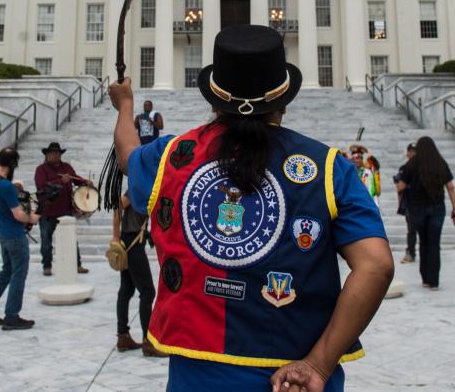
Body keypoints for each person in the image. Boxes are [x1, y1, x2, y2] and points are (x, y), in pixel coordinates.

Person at [110, 25, 394, 391]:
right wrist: (319, 365)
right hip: (294, 378)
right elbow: (376, 265)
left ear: (214, 100)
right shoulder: (328, 168)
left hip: (198, 378)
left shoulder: (171, 158)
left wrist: (125, 105)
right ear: (284, 101)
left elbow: (126, 155)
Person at [0, 147, 39, 330]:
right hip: (15, 236)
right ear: (12, 165)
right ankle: (12, 316)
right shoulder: (6, 186)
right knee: (19, 273)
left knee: (6, 271)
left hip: (3, 234)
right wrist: (32, 218)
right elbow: (18, 214)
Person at [395, 137, 455, 290]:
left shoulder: (412, 164)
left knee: (423, 242)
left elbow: (400, 187)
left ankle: (425, 278)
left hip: (418, 209)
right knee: (434, 244)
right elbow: (450, 187)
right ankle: (434, 281)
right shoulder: (440, 163)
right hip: (437, 208)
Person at [113, 190, 165, 357]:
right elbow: (118, 206)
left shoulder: (142, 186)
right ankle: (148, 341)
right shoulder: (136, 188)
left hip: (133, 239)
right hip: (132, 242)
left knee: (126, 290)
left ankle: (123, 337)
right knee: (148, 291)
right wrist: (115, 237)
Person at [35, 141, 92, 276]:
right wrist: (61, 181)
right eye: (52, 153)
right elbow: (41, 186)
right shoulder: (41, 169)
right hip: (47, 211)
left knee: (72, 239)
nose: (55, 155)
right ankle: (47, 266)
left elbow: (76, 179)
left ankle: (77, 265)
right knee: (46, 241)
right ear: (47, 155)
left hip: (65, 211)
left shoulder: (66, 167)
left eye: (57, 153)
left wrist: (85, 182)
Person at [393, 144, 417, 264]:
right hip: (410, 202)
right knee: (411, 230)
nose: (412, 154)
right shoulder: (405, 168)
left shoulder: (424, 166)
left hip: (421, 202)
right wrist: (400, 203)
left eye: (414, 152)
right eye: (411, 151)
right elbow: (399, 187)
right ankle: (410, 252)